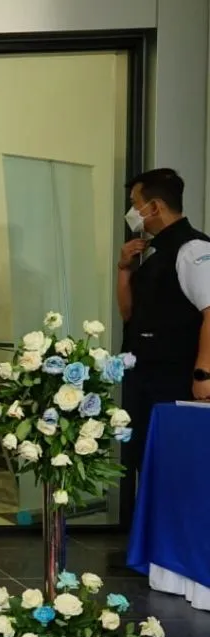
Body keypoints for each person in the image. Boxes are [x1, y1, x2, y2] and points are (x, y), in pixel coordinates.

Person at [116, 168, 210, 524]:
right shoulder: (154, 253)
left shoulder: (193, 249)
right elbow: (129, 313)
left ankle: (172, 553)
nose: (132, 213)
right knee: (146, 457)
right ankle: (150, 551)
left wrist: (204, 372)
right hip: (147, 374)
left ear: (154, 206)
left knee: (174, 462)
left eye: (135, 205)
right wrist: (124, 268)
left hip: (177, 377)